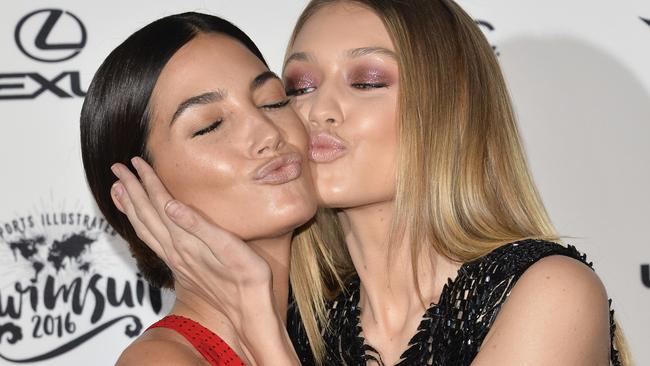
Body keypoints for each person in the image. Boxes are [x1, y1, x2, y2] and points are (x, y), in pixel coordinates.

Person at [111, 1, 631, 365]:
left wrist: (263, 331)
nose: (318, 110)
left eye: (367, 82)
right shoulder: (307, 321)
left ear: (450, 110)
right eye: (297, 88)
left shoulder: (546, 294)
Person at [80, 12, 317, 366]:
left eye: (273, 101)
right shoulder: (160, 361)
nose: (268, 132)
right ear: (139, 193)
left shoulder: (344, 331)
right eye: (210, 125)